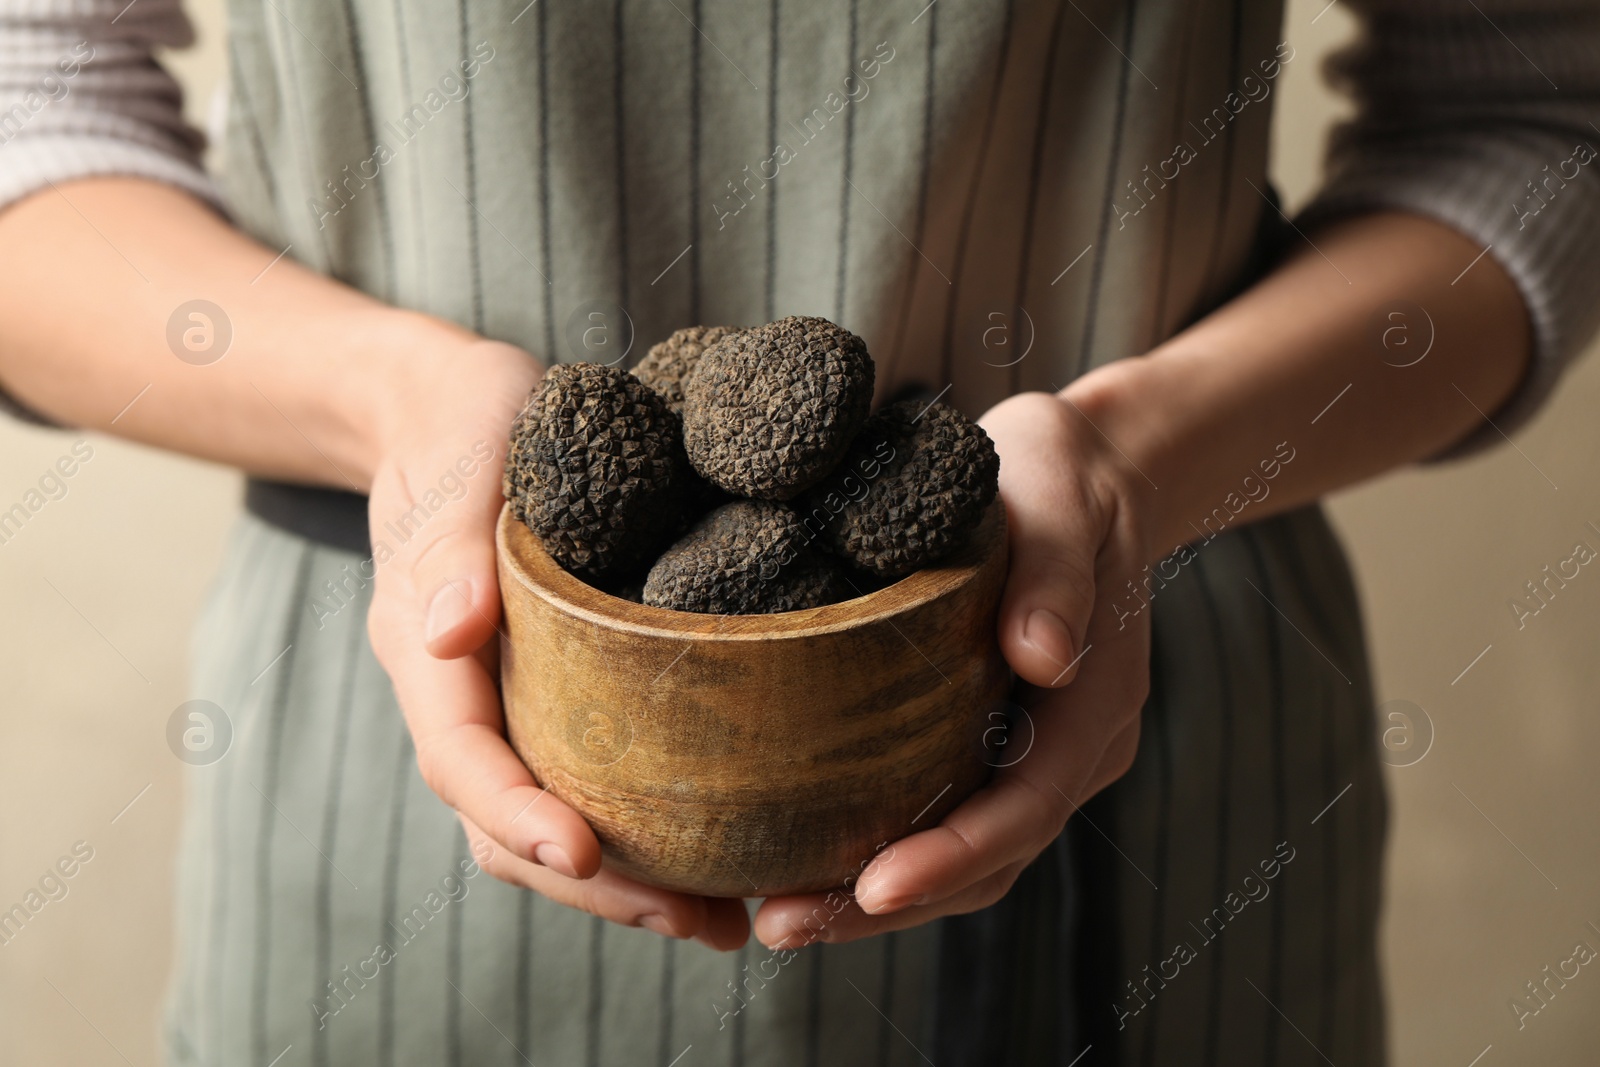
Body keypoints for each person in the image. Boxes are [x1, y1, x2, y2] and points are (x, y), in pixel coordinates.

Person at [1, 0, 1595, 1063]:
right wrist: (392, 403)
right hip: (397, 795)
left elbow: (1537, 118)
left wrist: (1133, 458)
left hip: (1154, 738)